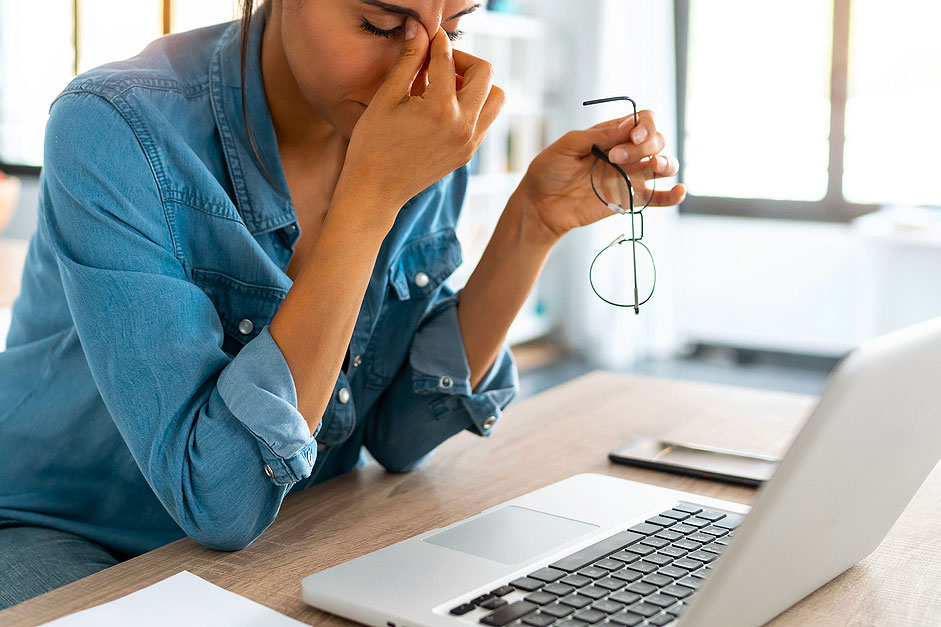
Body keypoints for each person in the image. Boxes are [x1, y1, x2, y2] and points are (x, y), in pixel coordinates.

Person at [0, 0, 685, 609]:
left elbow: (399, 434)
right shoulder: (115, 125)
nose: (422, 73)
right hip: (63, 526)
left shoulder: (418, 127)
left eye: (454, 25)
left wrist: (532, 222)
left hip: (288, 524)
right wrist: (370, 197)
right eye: (381, 24)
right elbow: (218, 499)